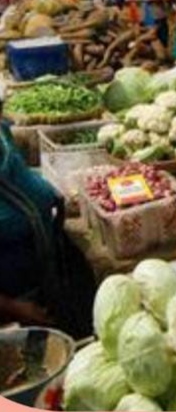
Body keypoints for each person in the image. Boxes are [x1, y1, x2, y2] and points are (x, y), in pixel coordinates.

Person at [0, 99, 95, 336]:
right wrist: (17, 309)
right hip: (19, 305)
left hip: (49, 274)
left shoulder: (2, 134)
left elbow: (18, 173)